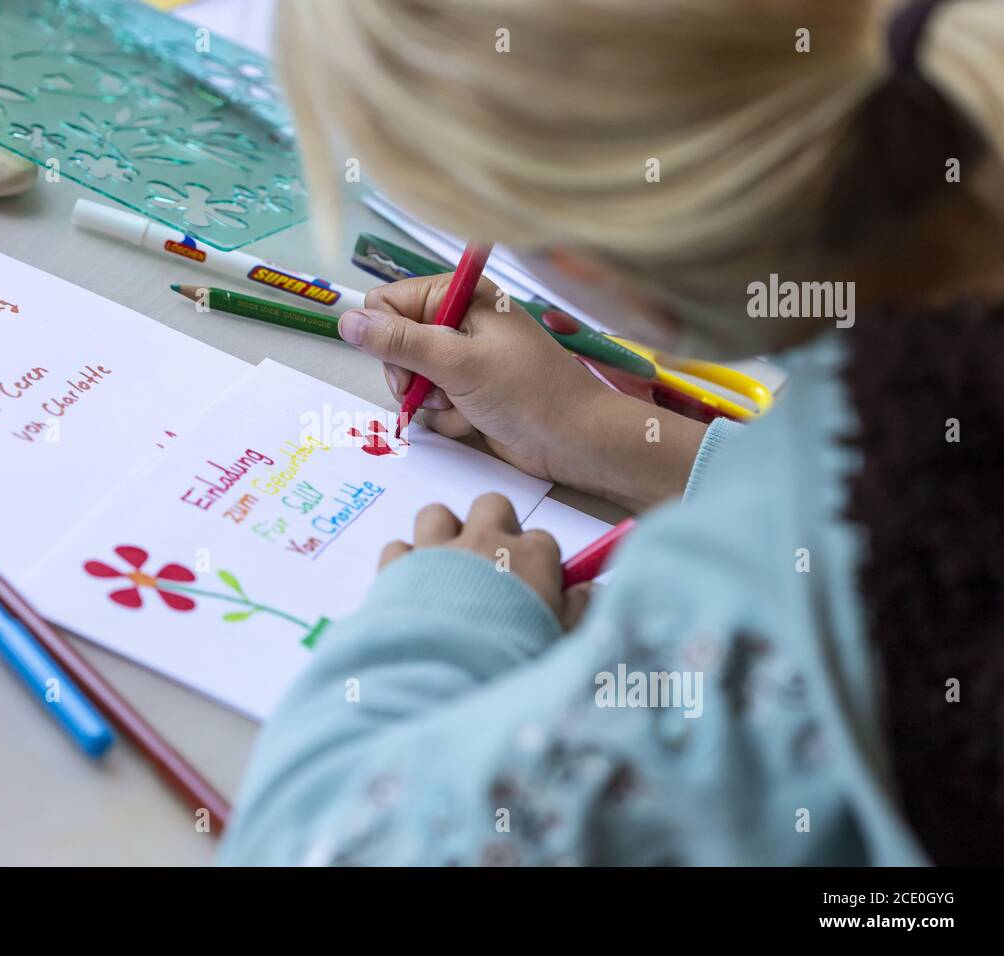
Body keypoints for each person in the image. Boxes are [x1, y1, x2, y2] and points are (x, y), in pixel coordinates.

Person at [219, 0, 1004, 865]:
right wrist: (610, 436)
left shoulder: (755, 625)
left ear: (614, 285)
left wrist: (451, 618)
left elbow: (308, 846)